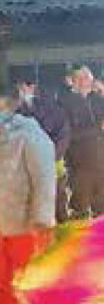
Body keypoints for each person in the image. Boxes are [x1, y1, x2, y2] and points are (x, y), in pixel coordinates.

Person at [0, 88, 80, 304]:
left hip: (23, 224)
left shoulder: (30, 135)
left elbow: (44, 179)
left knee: (37, 281)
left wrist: (43, 219)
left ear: (12, 104)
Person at [15, 78, 71, 221]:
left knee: (57, 205)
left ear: (33, 87)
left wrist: (49, 157)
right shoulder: (14, 109)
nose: (21, 90)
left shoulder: (53, 108)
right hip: (26, 168)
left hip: (51, 165)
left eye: (24, 86)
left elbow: (63, 135)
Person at [57, 64, 104, 217]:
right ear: (71, 81)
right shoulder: (64, 103)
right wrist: (98, 129)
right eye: (81, 78)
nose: (86, 81)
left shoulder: (98, 99)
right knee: (80, 209)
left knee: (101, 211)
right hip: (79, 166)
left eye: (88, 77)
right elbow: (68, 135)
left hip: (101, 164)